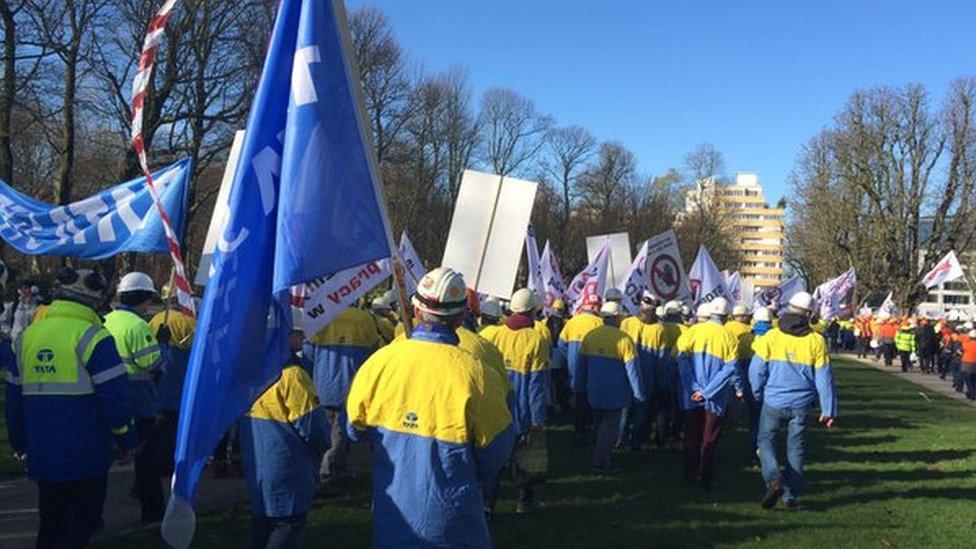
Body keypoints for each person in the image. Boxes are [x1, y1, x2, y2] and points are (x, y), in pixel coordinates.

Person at [346, 267, 515, 547]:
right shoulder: (477, 373)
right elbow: (496, 450)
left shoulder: (378, 363)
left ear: (415, 311)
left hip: (393, 518)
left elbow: (354, 429)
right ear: (461, 317)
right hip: (453, 522)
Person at [5, 267, 138, 548]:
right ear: (95, 301)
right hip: (86, 451)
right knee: (84, 521)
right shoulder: (95, 337)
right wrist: (126, 439)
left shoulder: (26, 337)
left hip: (42, 450)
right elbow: (115, 400)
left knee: (51, 522)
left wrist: (19, 442)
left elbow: (14, 400)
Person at [240, 307, 330, 549]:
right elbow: (315, 430)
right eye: (299, 334)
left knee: (262, 524)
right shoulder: (292, 376)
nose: (303, 340)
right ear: (286, 335)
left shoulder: (249, 371)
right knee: (288, 526)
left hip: (256, 464)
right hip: (288, 466)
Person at [749, 291, 837, 509]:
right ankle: (790, 495)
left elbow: (756, 370)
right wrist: (829, 410)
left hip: (773, 401)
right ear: (808, 314)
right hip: (801, 404)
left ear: (789, 309)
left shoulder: (770, 336)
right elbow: (824, 378)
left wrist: (756, 392)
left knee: (765, 440)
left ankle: (773, 478)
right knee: (795, 449)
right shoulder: (816, 340)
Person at [103, 272, 166, 523]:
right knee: (146, 462)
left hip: (113, 399)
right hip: (140, 402)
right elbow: (152, 364)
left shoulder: (106, 320)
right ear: (144, 297)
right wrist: (163, 346)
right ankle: (152, 513)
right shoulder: (139, 326)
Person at [482, 288, 549, 513]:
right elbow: (537, 384)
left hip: (493, 407)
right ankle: (524, 501)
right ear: (532, 311)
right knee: (525, 458)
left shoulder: (491, 334)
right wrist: (538, 419)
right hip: (520, 410)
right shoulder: (536, 339)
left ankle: (487, 505)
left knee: (493, 460)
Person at [304, 305, 379, 496]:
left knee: (327, 435)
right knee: (339, 436)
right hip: (352, 388)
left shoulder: (320, 318)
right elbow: (373, 354)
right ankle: (329, 477)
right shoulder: (365, 319)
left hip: (322, 387)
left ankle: (327, 473)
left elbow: (307, 356)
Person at [676, 297, 738, 489]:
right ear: (726, 315)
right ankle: (704, 478)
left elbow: (682, 360)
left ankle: (688, 474)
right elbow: (729, 369)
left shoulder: (692, 331)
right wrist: (708, 391)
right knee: (709, 439)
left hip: (691, 395)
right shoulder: (728, 336)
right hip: (715, 398)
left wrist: (694, 388)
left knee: (691, 436)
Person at [578, 301, 645, 472]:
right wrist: (638, 394)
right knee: (609, 428)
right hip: (615, 392)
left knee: (600, 425)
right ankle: (601, 461)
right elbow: (633, 371)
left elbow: (581, 366)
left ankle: (602, 455)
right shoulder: (624, 339)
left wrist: (578, 386)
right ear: (617, 318)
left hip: (593, 390)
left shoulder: (590, 336)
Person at [619, 291, 674, 452]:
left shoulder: (627, 322)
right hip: (648, 375)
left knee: (625, 408)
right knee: (642, 410)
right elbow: (662, 358)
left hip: (627, 371)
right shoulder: (659, 329)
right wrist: (661, 380)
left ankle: (619, 438)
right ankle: (636, 442)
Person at [148, 292, 197, 476]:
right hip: (178, 373)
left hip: (161, 375)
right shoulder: (187, 320)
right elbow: (196, 343)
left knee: (163, 424)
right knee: (172, 425)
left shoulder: (155, 318)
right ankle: (165, 462)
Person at [558, 297, 604, 446]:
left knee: (579, 400)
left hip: (574, 369)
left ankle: (579, 431)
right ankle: (593, 430)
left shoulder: (572, 322)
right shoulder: (599, 323)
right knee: (592, 401)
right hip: (593, 369)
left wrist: (569, 359)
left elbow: (561, 345)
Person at [960, 329, 976, 400]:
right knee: (973, 381)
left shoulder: (966, 344)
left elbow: (961, 350)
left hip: (967, 364)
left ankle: (972, 393)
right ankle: (969, 393)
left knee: (968, 381)